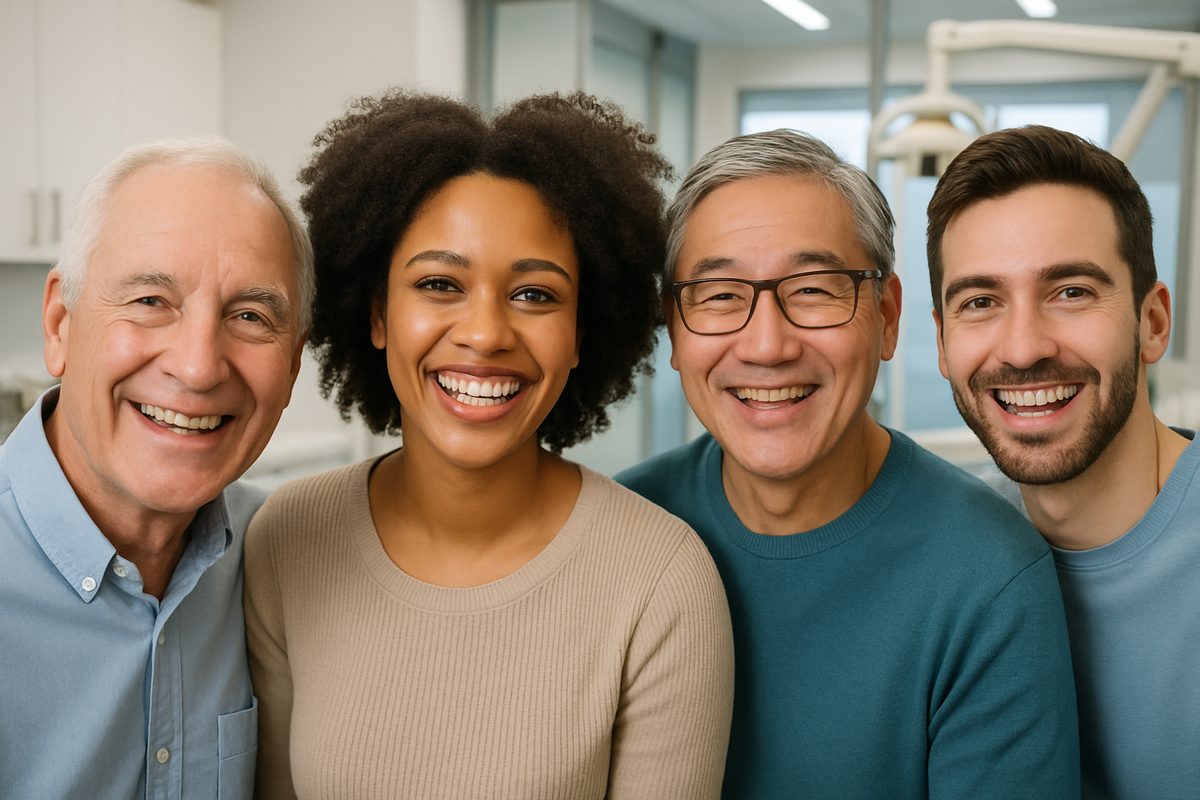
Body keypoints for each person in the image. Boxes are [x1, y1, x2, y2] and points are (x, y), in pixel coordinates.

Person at [243, 90, 734, 799]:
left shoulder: (660, 582)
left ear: (581, 334)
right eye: (439, 284)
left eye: (535, 294)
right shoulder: (286, 540)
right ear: (377, 313)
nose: (485, 334)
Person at [616, 128, 1080, 798]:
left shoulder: (987, 575)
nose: (767, 345)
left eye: (814, 289)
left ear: (887, 317)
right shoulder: (621, 533)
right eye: (719, 296)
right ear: (674, 331)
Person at [0, 138, 311, 797]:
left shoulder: (281, 560)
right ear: (60, 324)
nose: (198, 367)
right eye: (149, 301)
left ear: (292, 365)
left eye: (251, 316)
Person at [927, 124, 1199, 799]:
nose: (1022, 349)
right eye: (981, 302)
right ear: (940, 344)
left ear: (1153, 322)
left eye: (1071, 291)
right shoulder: (948, 551)